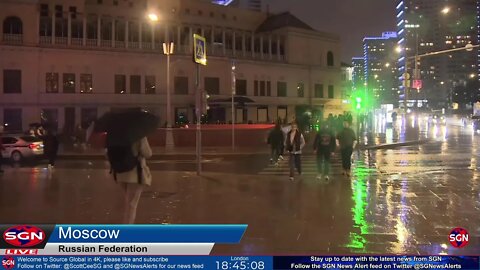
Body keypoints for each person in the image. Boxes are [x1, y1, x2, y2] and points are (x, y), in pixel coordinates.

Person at [109, 137, 152, 224]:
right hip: (134, 174)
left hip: (120, 173)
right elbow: (148, 153)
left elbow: (109, 152)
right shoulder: (139, 134)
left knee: (128, 202)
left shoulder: (117, 134)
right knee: (132, 204)